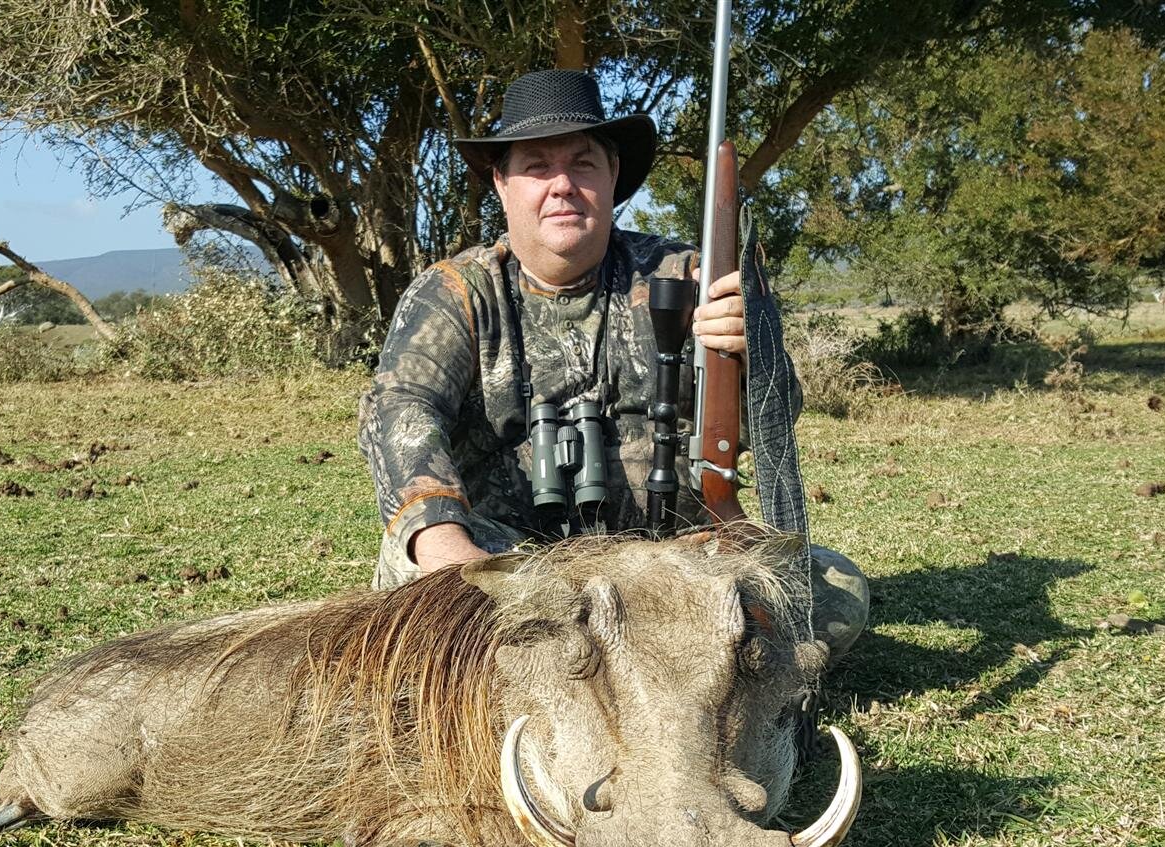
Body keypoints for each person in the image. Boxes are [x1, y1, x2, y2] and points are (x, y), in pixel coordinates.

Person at [356, 69, 868, 656]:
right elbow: (400, 408)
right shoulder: (455, 291)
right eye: (537, 166)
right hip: (514, 570)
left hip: (673, 565)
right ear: (501, 182)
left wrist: (756, 358)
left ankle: (585, 662)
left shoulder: (688, 276)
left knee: (833, 588)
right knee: (413, 559)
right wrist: (449, 549)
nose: (562, 185)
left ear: (613, 175)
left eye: (583, 163)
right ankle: (658, 662)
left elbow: (770, 425)